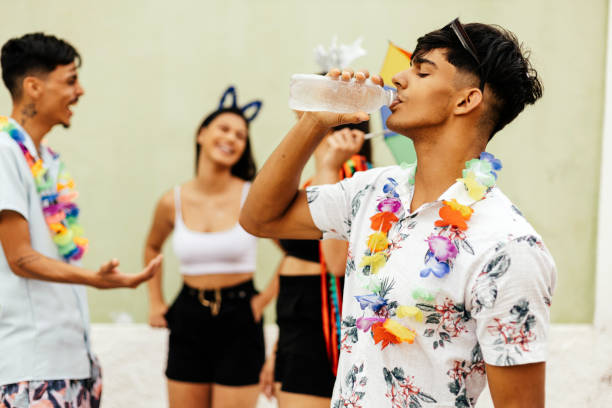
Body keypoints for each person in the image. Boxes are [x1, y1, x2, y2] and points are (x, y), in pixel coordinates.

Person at [240, 18, 556, 408]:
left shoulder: (509, 247)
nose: (399, 79)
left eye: (422, 70)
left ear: (465, 100)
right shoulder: (372, 190)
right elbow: (259, 218)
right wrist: (315, 121)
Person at [0, 33, 161, 408]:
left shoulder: (47, 160)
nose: (81, 91)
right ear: (33, 87)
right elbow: (20, 258)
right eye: (70, 80)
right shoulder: (4, 152)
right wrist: (97, 280)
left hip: (72, 362)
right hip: (30, 368)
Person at [144, 86, 274, 408]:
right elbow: (151, 246)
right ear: (202, 134)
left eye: (241, 135)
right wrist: (155, 301)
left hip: (240, 316)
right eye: (224, 129)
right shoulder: (171, 200)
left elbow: (296, 254)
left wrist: (262, 301)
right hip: (187, 315)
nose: (231, 138)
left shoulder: (253, 196)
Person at [259, 122, 372, 408]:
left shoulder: (357, 176)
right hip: (292, 322)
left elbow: (336, 264)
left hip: (323, 326)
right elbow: (288, 253)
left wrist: (329, 167)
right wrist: (275, 351)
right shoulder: (312, 181)